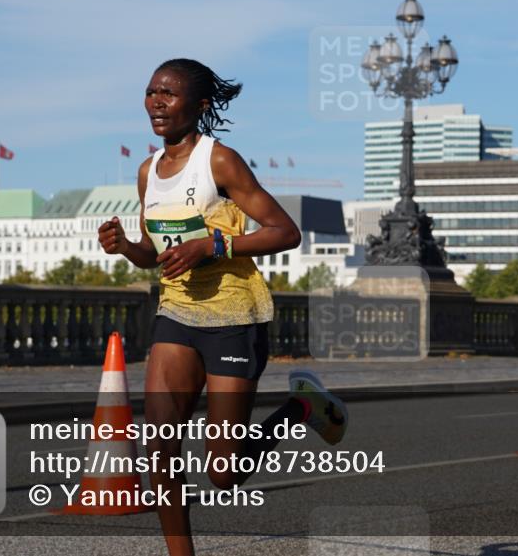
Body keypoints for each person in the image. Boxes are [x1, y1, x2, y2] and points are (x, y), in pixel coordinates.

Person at [97, 58, 348, 555]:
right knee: (159, 450)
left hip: (235, 317)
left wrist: (215, 246)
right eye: (151, 92)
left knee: (225, 471)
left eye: (169, 94)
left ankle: (302, 407)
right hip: (177, 315)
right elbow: (156, 253)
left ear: (200, 105)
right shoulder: (148, 171)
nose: (157, 102)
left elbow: (285, 232)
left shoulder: (220, 161)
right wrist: (127, 247)